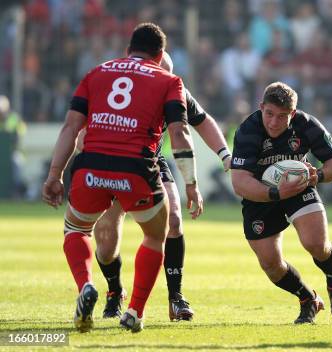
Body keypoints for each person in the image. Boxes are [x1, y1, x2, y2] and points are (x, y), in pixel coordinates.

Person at [42, 23, 203, 333]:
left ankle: (86, 285)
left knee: (76, 228)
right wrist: (191, 184)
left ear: (129, 50)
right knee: (155, 235)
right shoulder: (169, 80)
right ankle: (135, 311)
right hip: (136, 169)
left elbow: (71, 127)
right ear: (160, 56)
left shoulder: (96, 73)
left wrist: (55, 175)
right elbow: (180, 133)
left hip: (90, 167)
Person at [89, 51, 231, 322]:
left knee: (174, 221)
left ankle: (175, 298)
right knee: (106, 244)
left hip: (149, 162)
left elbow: (202, 121)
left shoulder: (173, 88)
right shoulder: (116, 84)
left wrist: (225, 156)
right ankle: (115, 290)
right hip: (112, 162)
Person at [230, 82, 332, 324]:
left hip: (298, 188)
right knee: (271, 264)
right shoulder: (248, 130)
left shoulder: (305, 124)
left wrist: (320, 175)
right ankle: (308, 299)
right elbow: (240, 182)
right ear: (261, 107)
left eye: (282, 116)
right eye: (269, 114)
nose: (274, 122)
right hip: (261, 196)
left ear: (292, 114)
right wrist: (275, 193)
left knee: (316, 244)